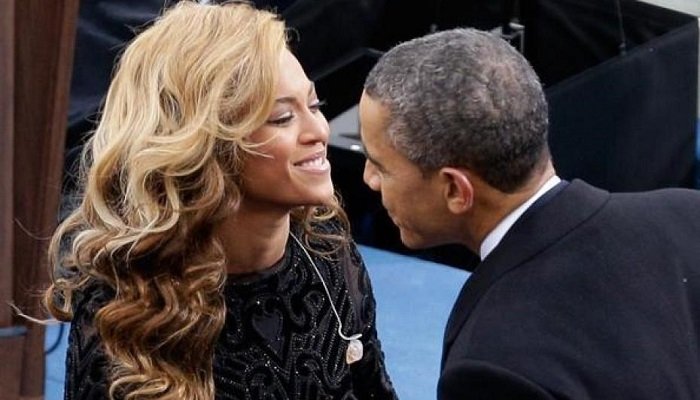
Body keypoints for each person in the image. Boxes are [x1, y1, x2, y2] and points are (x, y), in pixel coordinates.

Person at [44, 2, 397, 399]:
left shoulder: (326, 246)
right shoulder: (128, 304)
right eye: (282, 118)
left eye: (314, 105)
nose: (317, 130)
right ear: (208, 146)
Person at [358, 27, 700, 399]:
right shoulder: (686, 215)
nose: (369, 179)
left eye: (380, 165)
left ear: (456, 190)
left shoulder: (492, 368)